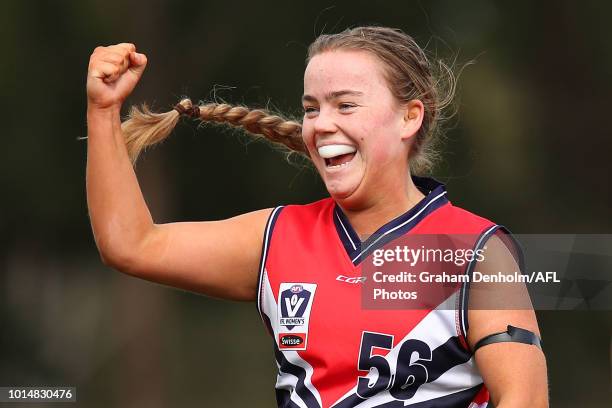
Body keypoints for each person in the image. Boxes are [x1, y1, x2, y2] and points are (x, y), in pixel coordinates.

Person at [86, 26, 548, 407]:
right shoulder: (277, 237)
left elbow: (524, 400)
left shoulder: (477, 252)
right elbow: (130, 243)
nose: (321, 124)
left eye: (345, 105)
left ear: (409, 118)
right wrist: (103, 111)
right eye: (312, 108)